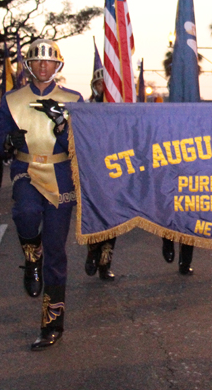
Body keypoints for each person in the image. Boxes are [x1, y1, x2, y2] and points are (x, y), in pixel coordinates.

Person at [0, 38, 83, 351]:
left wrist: (63, 130)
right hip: (26, 169)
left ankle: (52, 324)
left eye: (49, 62)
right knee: (26, 216)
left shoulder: (74, 98)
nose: (44, 67)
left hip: (60, 175)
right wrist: (6, 141)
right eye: (37, 62)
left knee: (56, 249)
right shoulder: (12, 99)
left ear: (58, 65)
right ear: (28, 66)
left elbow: (81, 143)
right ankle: (32, 255)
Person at [84, 67, 117, 281]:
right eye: (98, 84)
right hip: (92, 170)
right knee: (93, 216)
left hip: (114, 171)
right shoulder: (86, 111)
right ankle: (92, 252)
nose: (101, 88)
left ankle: (105, 263)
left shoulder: (118, 110)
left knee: (114, 219)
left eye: (104, 85)